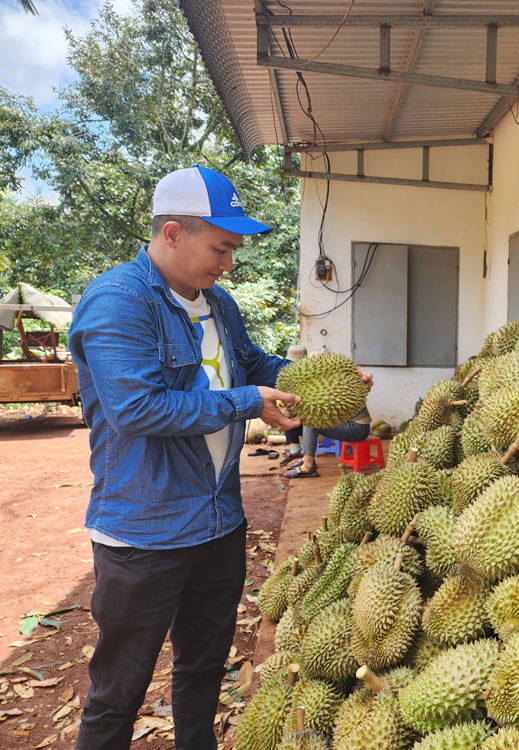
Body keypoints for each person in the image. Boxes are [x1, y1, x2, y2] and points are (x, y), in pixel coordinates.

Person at [67, 165, 371, 749]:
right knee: (119, 689)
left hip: (217, 524)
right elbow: (138, 409)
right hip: (144, 532)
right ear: (174, 232)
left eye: (233, 249)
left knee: (204, 670)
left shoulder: (218, 304)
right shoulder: (116, 302)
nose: (229, 262)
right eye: (221, 246)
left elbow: (254, 366)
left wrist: (325, 380)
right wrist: (248, 402)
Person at [282, 406, 372, 478]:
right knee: (309, 420)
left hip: (357, 429)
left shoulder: (338, 386)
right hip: (353, 425)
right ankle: (306, 459)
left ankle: (308, 467)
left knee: (311, 423)